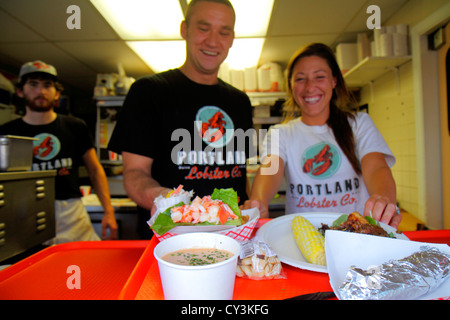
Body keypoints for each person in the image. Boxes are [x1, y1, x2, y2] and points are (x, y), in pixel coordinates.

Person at [107, 0, 254, 236]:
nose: (213, 41)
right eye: (203, 28)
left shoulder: (240, 102)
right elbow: (134, 172)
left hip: (232, 238)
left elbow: (239, 172)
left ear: (232, 38)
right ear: (184, 29)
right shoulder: (148, 91)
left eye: (223, 32)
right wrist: (166, 201)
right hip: (168, 239)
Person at [245, 43, 402, 228]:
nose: (310, 87)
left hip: (356, 233)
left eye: (319, 77)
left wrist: (383, 199)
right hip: (301, 241)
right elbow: (270, 170)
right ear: (291, 86)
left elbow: (377, 168)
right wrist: (259, 200)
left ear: (334, 81)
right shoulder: (280, 133)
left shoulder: (359, 123)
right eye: (301, 79)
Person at [0, 60, 118, 244]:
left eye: (47, 85)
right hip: (23, 214)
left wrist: (108, 212)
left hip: (70, 213)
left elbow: (95, 170)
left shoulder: (75, 126)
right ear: (20, 91)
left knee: (83, 264)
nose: (41, 91)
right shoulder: (7, 133)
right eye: (33, 84)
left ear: (57, 93)